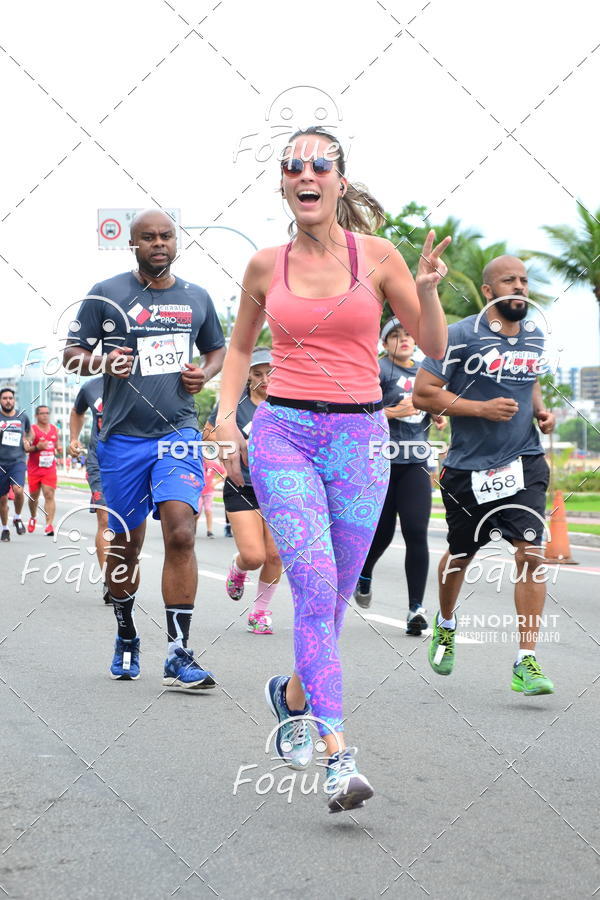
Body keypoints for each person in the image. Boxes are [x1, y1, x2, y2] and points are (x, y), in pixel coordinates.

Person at [215, 127, 449, 811]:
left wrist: (428, 290)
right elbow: (237, 350)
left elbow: (431, 343)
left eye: (320, 165)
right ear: (285, 185)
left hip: (360, 438)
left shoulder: (377, 256)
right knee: (315, 586)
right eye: (293, 166)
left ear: (340, 182)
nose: (306, 174)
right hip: (284, 431)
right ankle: (337, 753)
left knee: (335, 595)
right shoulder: (265, 265)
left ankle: (288, 695)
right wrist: (228, 416)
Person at [63, 208, 226, 687]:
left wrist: (206, 373)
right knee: (125, 547)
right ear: (132, 245)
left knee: (181, 532)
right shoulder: (106, 294)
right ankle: (127, 632)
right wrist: (101, 360)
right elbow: (71, 354)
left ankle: (179, 652)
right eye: (148, 237)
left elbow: (215, 349)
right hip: (121, 441)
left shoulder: (197, 297)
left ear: (177, 242)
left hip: (177, 432)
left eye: (167, 236)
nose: (159, 244)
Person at [413, 254, 556, 696]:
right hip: (467, 469)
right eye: (509, 280)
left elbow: (528, 378)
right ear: (489, 292)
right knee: (460, 557)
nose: (520, 287)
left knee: (531, 554)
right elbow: (422, 394)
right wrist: (481, 409)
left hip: (524, 461)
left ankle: (525, 660)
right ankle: (447, 622)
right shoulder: (457, 336)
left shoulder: (533, 336)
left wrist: (540, 411)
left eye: (525, 280)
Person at [354, 318, 445, 635]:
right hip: (380, 462)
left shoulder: (426, 369)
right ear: (384, 342)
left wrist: (437, 413)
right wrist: (391, 413)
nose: (403, 339)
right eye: (395, 335)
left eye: (408, 334)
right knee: (381, 533)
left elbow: (435, 400)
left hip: (416, 461)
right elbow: (355, 411)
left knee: (416, 531)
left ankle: (416, 608)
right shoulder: (376, 370)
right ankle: (364, 571)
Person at [205, 346, 283, 635]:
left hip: (279, 488)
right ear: (249, 376)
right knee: (254, 556)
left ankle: (260, 612)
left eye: (270, 373)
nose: (265, 379)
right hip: (242, 486)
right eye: (258, 374)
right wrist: (233, 449)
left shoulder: (286, 404)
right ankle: (239, 569)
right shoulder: (235, 403)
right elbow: (209, 432)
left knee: (275, 556)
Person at [69, 375, 111, 604]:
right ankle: (109, 581)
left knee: (129, 524)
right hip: (99, 461)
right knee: (104, 519)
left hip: (131, 461)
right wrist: (74, 439)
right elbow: (77, 411)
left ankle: (124, 573)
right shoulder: (90, 387)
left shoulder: (141, 381)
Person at [0, 388, 31, 541]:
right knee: (2, 499)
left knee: (18, 491)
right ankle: (5, 528)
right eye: (4, 398)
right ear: (0, 401)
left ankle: (17, 517)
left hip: (17, 461)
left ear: (14, 400)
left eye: (10, 398)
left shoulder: (22, 416)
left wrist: (27, 441)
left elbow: (29, 432)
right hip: (0, 463)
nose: (8, 401)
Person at [27, 405, 59, 536]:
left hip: (49, 469)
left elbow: (56, 445)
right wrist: (37, 447)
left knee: (49, 494)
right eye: (42, 413)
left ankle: (49, 525)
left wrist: (59, 449)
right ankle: (33, 517)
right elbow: (26, 448)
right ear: (36, 415)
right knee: (33, 497)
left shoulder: (55, 429)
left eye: (47, 413)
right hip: (34, 469)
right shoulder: (32, 430)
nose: (45, 415)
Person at [197, 453, 225, 538]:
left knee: (208, 510)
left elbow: (224, 473)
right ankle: (193, 528)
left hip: (209, 491)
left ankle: (209, 531)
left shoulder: (213, 464)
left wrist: (216, 481)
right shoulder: (198, 463)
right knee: (197, 512)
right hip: (198, 491)